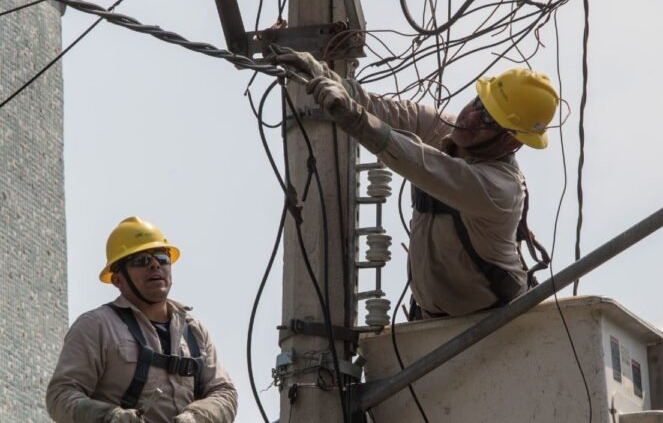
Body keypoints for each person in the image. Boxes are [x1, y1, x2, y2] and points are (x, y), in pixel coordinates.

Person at [273, 48, 558, 319]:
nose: (471, 117)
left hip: (497, 325)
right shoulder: (451, 131)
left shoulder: (500, 189)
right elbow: (388, 111)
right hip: (432, 321)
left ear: (510, 142)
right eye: (479, 104)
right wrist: (325, 76)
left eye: (489, 120)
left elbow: (419, 161)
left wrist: (355, 118)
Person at [47, 217, 237, 423]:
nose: (154, 265)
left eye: (162, 258)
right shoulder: (97, 326)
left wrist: (195, 417)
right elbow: (60, 396)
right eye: (141, 260)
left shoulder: (193, 331)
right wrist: (111, 417)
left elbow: (224, 393)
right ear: (118, 279)